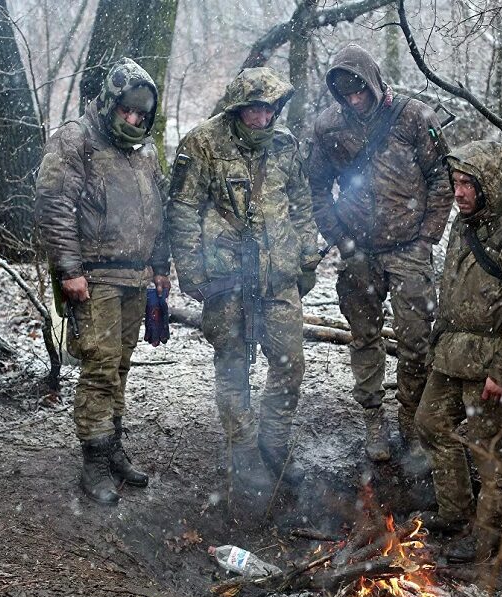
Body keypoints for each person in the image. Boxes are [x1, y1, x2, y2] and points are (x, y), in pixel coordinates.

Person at [167, 67, 321, 497]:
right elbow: (182, 211)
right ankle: (244, 451)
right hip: (226, 277)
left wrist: (307, 255)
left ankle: (274, 443)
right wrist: (193, 273)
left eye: (269, 109)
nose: (262, 118)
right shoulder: (203, 144)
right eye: (254, 109)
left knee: (290, 364)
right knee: (233, 366)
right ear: (238, 109)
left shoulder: (286, 146)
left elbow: (302, 203)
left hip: (278, 276)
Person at [308, 43, 454, 462]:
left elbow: (441, 179)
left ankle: (410, 419)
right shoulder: (329, 127)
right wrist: (339, 236)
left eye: (360, 91)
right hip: (358, 251)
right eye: (346, 94)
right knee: (364, 336)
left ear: (373, 83)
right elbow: (315, 187)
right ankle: (373, 418)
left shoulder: (414, 117)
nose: (355, 100)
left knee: (416, 340)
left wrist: (427, 237)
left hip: (409, 247)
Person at [35, 59, 169, 504]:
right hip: (94, 276)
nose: (133, 120)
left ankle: (112, 449)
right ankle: (93, 461)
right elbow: (54, 205)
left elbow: (158, 210)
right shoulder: (77, 138)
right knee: (99, 368)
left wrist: (160, 265)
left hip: (136, 275)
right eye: (126, 111)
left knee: (120, 366)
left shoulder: (146, 149)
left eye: (141, 114)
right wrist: (69, 270)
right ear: (111, 103)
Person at [415, 141, 502, 562]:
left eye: (468, 184)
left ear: (489, 185)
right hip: (452, 352)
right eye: (455, 183)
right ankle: (455, 513)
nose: (458, 193)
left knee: (495, 453)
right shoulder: (465, 223)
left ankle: (492, 537)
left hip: (491, 361)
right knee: (431, 423)